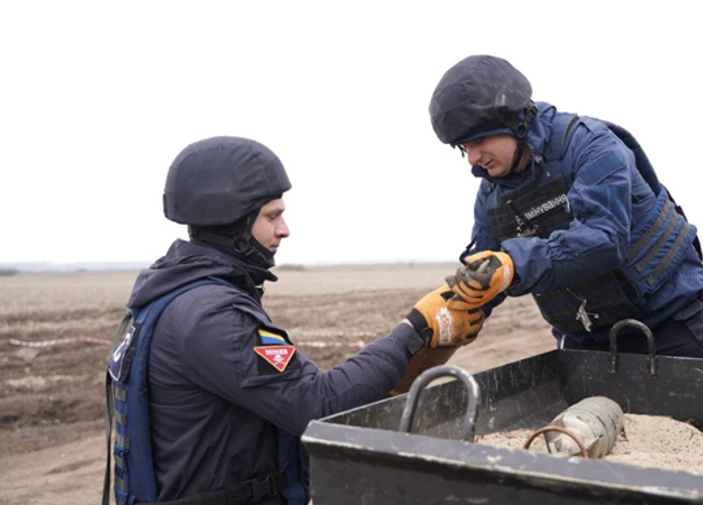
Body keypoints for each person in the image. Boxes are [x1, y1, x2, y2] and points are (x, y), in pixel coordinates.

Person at [103, 136, 484, 505]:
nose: (284, 229)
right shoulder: (211, 316)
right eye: (272, 216)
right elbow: (320, 404)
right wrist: (413, 330)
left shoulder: (178, 296)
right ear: (232, 222)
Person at [429, 55, 703, 362]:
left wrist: (514, 264)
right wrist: (434, 321)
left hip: (675, 321)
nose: (472, 158)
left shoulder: (591, 146)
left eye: (479, 141)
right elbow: (485, 273)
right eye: (463, 147)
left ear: (514, 122)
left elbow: (604, 239)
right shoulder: (491, 195)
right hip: (585, 344)